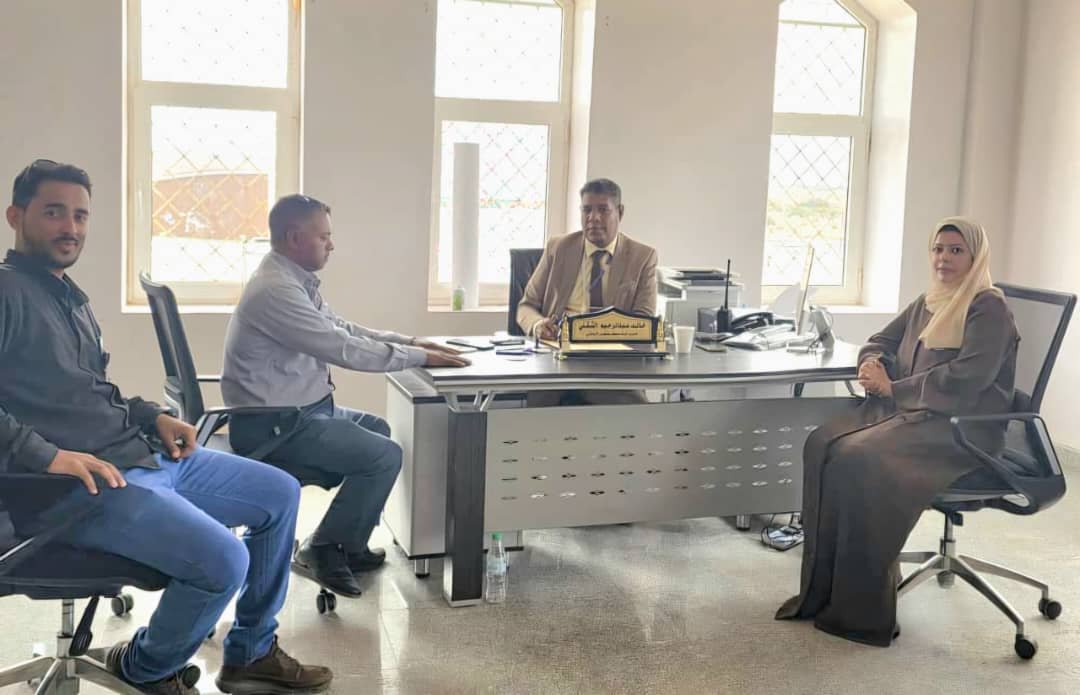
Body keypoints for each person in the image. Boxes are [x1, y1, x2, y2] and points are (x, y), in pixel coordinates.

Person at [0, 160, 332, 695]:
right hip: (78, 487)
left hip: (137, 453)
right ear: (16, 216)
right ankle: (144, 668)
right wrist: (49, 457)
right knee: (224, 560)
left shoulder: (66, 295)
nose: (71, 227)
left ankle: (251, 653)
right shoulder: (7, 291)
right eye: (54, 213)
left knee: (279, 492)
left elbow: (89, 388)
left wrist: (149, 414)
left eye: (80, 216)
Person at [775, 216, 1019, 647]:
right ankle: (822, 593)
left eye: (956, 250)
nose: (943, 258)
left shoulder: (988, 307)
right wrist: (873, 363)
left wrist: (894, 388)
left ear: (975, 256)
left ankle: (861, 611)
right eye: (938, 249)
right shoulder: (929, 301)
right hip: (914, 414)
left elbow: (968, 378)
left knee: (860, 458)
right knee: (823, 444)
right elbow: (880, 340)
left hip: (961, 430)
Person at [222, 194, 469, 597]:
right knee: (383, 455)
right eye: (324, 237)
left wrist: (410, 342)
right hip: (275, 426)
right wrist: (420, 357)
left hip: (302, 412)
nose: (331, 245)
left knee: (378, 429)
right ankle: (322, 549)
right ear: (294, 238)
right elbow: (343, 349)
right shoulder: (276, 290)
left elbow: (344, 329)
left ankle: (347, 544)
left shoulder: (293, 280)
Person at [516, 178, 658, 406]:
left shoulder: (642, 257)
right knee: (538, 416)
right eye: (587, 210)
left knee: (635, 412)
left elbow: (643, 322)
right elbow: (526, 305)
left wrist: (591, 332)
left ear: (620, 212)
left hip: (612, 368)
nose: (594, 218)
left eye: (603, 210)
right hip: (556, 363)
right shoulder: (558, 248)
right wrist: (538, 325)